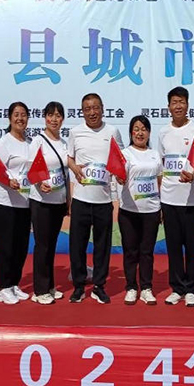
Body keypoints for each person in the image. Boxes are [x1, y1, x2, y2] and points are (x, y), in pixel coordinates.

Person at [67, 93, 123, 304]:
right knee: (77, 245)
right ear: (82, 111)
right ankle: (79, 286)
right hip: (81, 198)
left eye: (95, 107)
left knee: (102, 246)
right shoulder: (75, 132)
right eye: (87, 108)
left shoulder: (112, 131)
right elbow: (69, 157)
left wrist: (118, 178)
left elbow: (120, 159)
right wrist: (74, 168)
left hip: (103, 200)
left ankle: (99, 286)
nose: (92, 112)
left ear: (102, 108)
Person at [158, 86, 194, 307]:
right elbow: (161, 166)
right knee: (173, 246)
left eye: (182, 102)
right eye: (174, 102)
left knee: (191, 245)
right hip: (169, 198)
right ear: (168, 106)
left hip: (191, 199)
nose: (178, 106)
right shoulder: (163, 132)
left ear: (187, 105)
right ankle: (177, 288)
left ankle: (191, 289)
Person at [117, 115, 161, 306]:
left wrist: (161, 206)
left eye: (144, 129)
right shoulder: (125, 154)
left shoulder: (155, 154)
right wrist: (119, 178)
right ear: (130, 133)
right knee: (130, 251)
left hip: (151, 210)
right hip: (129, 210)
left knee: (147, 251)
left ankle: (146, 288)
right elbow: (119, 175)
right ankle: (131, 287)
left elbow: (159, 180)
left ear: (149, 133)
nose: (140, 133)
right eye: (136, 129)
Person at [29, 101, 69, 305]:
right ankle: (40, 290)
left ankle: (50, 285)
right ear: (44, 117)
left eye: (58, 115)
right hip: (41, 201)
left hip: (58, 200)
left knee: (51, 244)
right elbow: (31, 169)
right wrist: (39, 183)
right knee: (42, 245)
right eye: (50, 115)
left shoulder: (64, 143)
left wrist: (68, 200)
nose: (54, 119)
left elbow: (66, 173)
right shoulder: (37, 141)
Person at [0, 102, 32, 305]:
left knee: (21, 245)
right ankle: (3, 286)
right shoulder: (5, 141)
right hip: (6, 201)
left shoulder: (29, 142)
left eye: (23, 115)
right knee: (6, 245)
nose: (20, 118)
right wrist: (8, 182)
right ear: (9, 118)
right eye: (16, 115)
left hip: (25, 202)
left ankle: (14, 283)